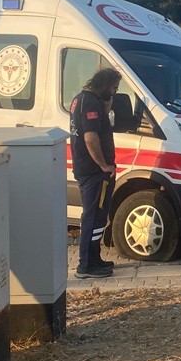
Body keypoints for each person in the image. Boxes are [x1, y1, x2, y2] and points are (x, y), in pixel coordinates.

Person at [69, 68, 122, 279]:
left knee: (99, 217)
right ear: (105, 85)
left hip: (86, 169)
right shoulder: (90, 103)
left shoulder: (81, 99)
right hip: (94, 172)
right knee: (92, 216)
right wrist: (103, 165)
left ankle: (95, 257)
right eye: (114, 88)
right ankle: (86, 265)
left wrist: (106, 107)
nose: (115, 92)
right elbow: (91, 138)